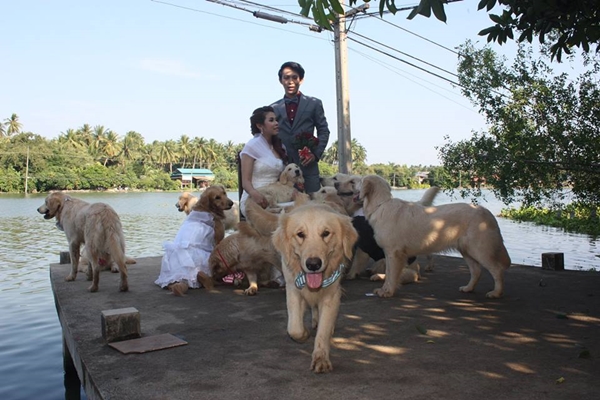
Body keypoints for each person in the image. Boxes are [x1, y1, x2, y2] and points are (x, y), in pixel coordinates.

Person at [270, 61, 330, 193]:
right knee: (286, 210)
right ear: (281, 81)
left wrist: (315, 154)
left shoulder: (314, 103)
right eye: (286, 78)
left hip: (308, 167)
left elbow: (324, 131)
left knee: (313, 207)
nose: (290, 81)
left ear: (301, 80)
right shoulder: (273, 108)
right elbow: (267, 136)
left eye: (294, 77)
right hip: (283, 170)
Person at [239, 106, 288, 217]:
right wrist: (255, 195)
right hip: (254, 198)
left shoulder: (280, 147)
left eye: (276, 120)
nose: (276, 123)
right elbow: (245, 182)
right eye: (271, 120)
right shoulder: (251, 146)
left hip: (275, 197)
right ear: (260, 125)